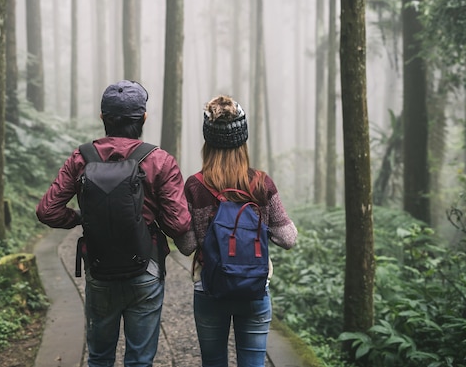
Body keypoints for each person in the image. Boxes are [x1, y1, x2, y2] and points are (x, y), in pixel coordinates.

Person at [36, 80, 191, 367]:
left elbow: (48, 211)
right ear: (143, 118)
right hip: (146, 267)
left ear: (103, 118)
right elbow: (180, 224)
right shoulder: (159, 160)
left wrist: (82, 219)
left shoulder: (82, 157)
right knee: (140, 361)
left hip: (99, 266)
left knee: (99, 358)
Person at [174, 95, 298, 367]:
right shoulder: (261, 183)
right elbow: (288, 238)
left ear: (208, 141)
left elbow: (186, 245)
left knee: (213, 362)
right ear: (243, 140)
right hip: (254, 288)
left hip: (209, 286)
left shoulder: (195, 186)